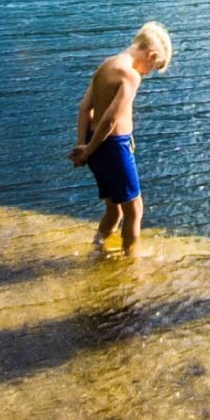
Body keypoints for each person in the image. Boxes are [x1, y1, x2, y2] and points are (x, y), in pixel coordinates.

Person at [71, 22, 172, 255]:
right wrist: (89, 148)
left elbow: (85, 107)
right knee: (135, 210)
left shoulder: (107, 64)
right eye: (153, 67)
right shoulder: (131, 74)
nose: (147, 72)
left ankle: (96, 248)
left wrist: (83, 145)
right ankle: (130, 261)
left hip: (95, 145)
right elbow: (110, 119)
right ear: (151, 54)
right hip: (113, 147)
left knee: (114, 210)